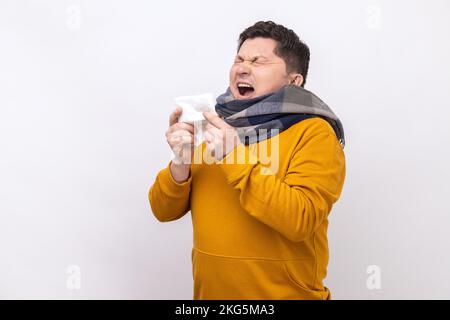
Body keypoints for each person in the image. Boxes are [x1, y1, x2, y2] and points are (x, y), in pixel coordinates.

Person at [149, 21, 346, 300]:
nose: (242, 67)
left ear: (294, 80)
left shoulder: (314, 132)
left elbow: (300, 219)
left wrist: (233, 156)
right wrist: (180, 161)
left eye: (258, 61)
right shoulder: (213, 124)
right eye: (239, 59)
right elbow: (162, 210)